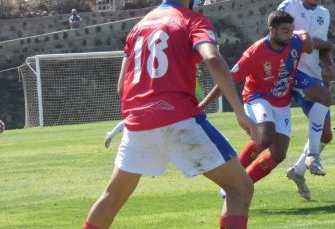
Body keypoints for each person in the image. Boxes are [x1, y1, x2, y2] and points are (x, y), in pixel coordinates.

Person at [83, 1, 259, 228]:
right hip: (179, 119)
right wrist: (240, 112)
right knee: (239, 187)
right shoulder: (191, 20)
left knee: (111, 197)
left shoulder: (138, 27)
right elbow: (213, 59)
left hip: (137, 125)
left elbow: (121, 88)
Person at [199, 10, 314, 198]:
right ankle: (232, 178)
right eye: (285, 30)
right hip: (257, 98)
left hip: (282, 103)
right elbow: (228, 79)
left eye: (292, 30)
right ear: (272, 30)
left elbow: (310, 46)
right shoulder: (255, 52)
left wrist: (307, 37)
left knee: (278, 155)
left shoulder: (295, 42)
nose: (290, 34)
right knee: (265, 137)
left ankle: (239, 187)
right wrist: (203, 105)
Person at [276, 0, 335, 200]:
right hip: (291, 72)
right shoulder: (289, 6)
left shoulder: (324, 13)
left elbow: (321, 47)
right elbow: (281, 36)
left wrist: (329, 64)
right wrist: (316, 43)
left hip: (313, 75)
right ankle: (312, 156)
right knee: (268, 137)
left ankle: (298, 171)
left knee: (326, 135)